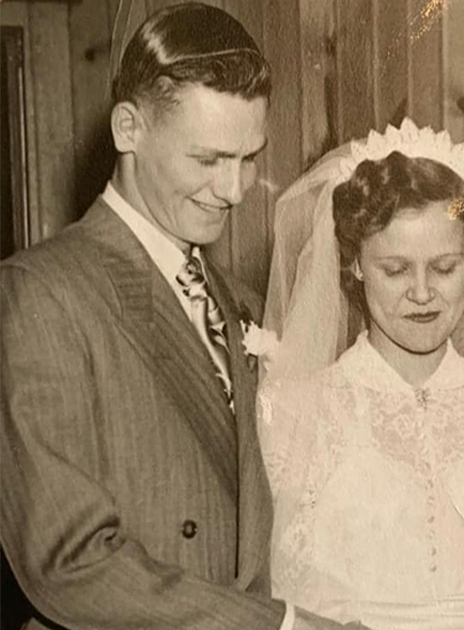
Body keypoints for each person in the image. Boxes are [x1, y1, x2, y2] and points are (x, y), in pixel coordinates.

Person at [0, 4, 351, 629]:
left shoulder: (237, 300)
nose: (236, 190)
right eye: (209, 160)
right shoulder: (40, 295)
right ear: (128, 128)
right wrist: (278, 625)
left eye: (249, 159)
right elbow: (69, 560)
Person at [256, 120, 464, 630]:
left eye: (443, 267)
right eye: (395, 269)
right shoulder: (294, 410)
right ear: (355, 267)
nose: (421, 293)